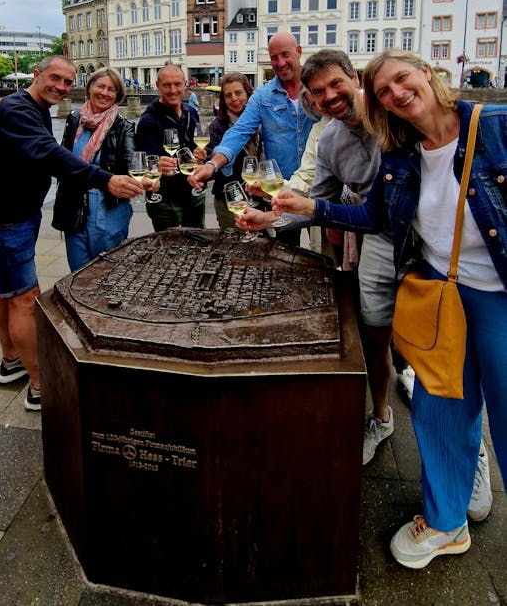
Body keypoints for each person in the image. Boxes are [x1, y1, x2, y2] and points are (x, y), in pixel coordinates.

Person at [272, 50, 505, 569]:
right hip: (433, 283)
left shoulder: (483, 126)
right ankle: (445, 517)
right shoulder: (398, 147)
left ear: (425, 71)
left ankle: (471, 466)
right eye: (385, 91)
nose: (396, 94)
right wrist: (289, 214)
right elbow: (370, 214)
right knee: (439, 399)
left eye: (402, 80)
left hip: (489, 291)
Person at [238, 49, 399, 463]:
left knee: (436, 340)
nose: (329, 96)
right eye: (318, 92)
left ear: (354, 78)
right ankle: (382, 415)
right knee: (374, 331)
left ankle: (466, 447)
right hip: (376, 237)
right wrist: (268, 219)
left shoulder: (391, 114)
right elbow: (317, 201)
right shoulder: (328, 138)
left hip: (418, 232)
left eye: (335, 84)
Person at [0, 56, 142, 411]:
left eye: (67, 82)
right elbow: (51, 155)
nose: (61, 87)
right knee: (24, 297)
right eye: (55, 78)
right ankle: (39, 385)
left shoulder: (36, 109)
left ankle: (11, 360)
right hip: (3, 219)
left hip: (11, 215)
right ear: (37, 75)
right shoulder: (17, 111)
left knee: (5, 285)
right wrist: (105, 179)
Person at [192, 32, 316, 244]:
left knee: (324, 249)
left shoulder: (317, 88)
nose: (280, 62)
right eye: (274, 57)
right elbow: (238, 132)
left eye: (285, 55)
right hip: (282, 191)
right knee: (286, 249)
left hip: (321, 187)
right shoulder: (262, 96)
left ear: (298, 52)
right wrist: (213, 164)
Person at [52, 68, 136, 272]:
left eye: (112, 89)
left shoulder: (123, 126)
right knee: (78, 273)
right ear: (90, 87)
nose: (105, 93)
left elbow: (130, 162)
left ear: (118, 95)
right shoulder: (74, 119)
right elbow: (62, 160)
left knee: (108, 274)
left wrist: (146, 174)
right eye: (100, 86)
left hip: (108, 208)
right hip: (75, 207)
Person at [135, 65, 204, 230]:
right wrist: (155, 165)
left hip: (193, 192)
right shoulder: (148, 120)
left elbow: (196, 149)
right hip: (165, 198)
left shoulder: (191, 113)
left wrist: (200, 154)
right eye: (167, 85)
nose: (173, 90)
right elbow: (141, 162)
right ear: (158, 86)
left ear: (185, 84)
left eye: (177, 84)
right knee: (168, 241)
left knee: (198, 238)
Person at [205, 73, 261, 229]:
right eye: (228, 95)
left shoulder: (260, 121)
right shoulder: (217, 127)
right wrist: (205, 160)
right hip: (230, 199)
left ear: (248, 94)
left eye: (238, 93)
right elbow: (210, 162)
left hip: (260, 196)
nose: (234, 99)